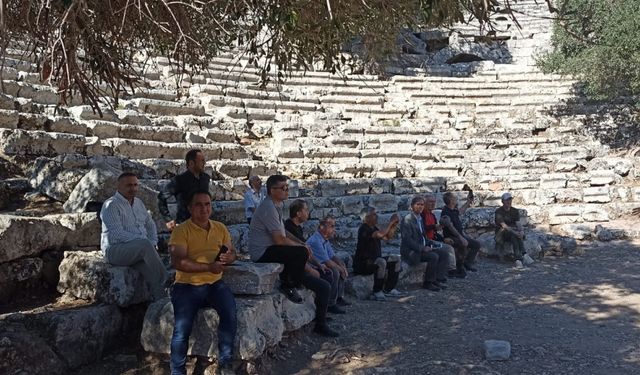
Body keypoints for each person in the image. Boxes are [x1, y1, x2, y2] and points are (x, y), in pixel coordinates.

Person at [168, 190, 237, 375]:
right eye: (198, 204)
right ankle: (177, 370)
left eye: (207, 204)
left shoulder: (220, 228)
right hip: (187, 286)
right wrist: (208, 267)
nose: (204, 208)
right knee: (182, 329)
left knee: (230, 314)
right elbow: (178, 262)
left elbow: (232, 253)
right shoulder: (181, 230)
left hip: (214, 283)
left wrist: (228, 257)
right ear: (190, 208)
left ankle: (226, 361)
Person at [101, 172, 168, 300]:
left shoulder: (138, 203)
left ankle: (164, 308)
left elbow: (150, 224)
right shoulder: (111, 205)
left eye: (135, 185)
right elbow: (117, 234)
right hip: (115, 250)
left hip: (138, 250)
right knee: (145, 246)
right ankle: (167, 279)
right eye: (129, 185)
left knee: (154, 278)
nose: (133, 188)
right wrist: (146, 244)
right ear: (119, 186)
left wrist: (153, 242)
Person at [284, 199, 340, 336]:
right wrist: (310, 269)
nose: (308, 213)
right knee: (324, 286)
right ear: (298, 213)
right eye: (306, 210)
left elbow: (306, 251)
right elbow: (293, 255)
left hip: (302, 266)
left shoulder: (297, 228)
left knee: (327, 274)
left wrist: (318, 265)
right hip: (293, 271)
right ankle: (320, 325)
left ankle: (323, 312)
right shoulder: (289, 228)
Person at [400, 196, 449, 291]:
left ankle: (437, 279)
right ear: (412, 206)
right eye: (418, 204)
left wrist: (431, 243)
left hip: (421, 248)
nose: (420, 207)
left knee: (444, 253)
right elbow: (407, 240)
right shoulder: (407, 220)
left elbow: (423, 236)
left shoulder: (419, 219)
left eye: (422, 205)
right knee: (433, 256)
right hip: (412, 252)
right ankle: (428, 282)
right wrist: (422, 248)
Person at [353, 207, 402, 301]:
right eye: (374, 214)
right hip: (363, 264)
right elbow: (380, 234)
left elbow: (387, 237)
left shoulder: (373, 227)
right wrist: (390, 222)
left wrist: (394, 226)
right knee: (381, 262)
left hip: (374, 259)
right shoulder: (364, 229)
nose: (377, 216)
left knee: (396, 259)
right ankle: (377, 291)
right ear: (366, 218)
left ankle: (389, 288)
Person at [307, 216, 351, 314]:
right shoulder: (316, 241)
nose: (334, 229)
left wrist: (342, 266)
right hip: (313, 267)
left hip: (320, 265)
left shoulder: (324, 239)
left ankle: (338, 297)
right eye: (332, 226)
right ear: (322, 227)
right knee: (334, 271)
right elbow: (327, 262)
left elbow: (333, 256)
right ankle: (330, 304)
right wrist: (342, 270)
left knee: (341, 263)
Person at [158, 149, 211, 231]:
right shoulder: (179, 180)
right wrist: (168, 219)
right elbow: (162, 197)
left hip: (204, 222)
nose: (204, 163)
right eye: (202, 161)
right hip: (185, 224)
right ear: (191, 163)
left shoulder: (205, 178)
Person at [441, 191, 482, 277]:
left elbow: (460, 211)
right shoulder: (445, 212)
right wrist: (461, 237)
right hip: (452, 237)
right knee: (462, 244)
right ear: (451, 201)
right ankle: (459, 268)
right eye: (454, 198)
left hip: (459, 235)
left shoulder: (453, 210)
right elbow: (450, 227)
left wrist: (468, 202)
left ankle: (467, 264)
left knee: (476, 245)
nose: (456, 199)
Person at [420, 193, 460, 278]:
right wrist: (434, 226)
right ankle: (451, 270)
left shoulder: (432, 215)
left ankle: (456, 268)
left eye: (434, 202)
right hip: (426, 241)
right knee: (448, 249)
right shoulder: (421, 215)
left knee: (450, 243)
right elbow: (423, 228)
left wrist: (443, 239)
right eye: (430, 202)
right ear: (425, 203)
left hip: (433, 240)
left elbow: (434, 232)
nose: (433, 204)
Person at [495, 192, 534, 268]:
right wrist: (516, 233)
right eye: (507, 200)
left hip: (512, 232)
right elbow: (504, 226)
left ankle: (518, 260)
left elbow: (518, 223)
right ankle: (524, 254)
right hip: (501, 233)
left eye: (510, 200)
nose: (509, 202)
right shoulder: (498, 212)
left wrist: (521, 231)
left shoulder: (515, 211)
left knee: (514, 237)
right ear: (502, 201)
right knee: (514, 235)